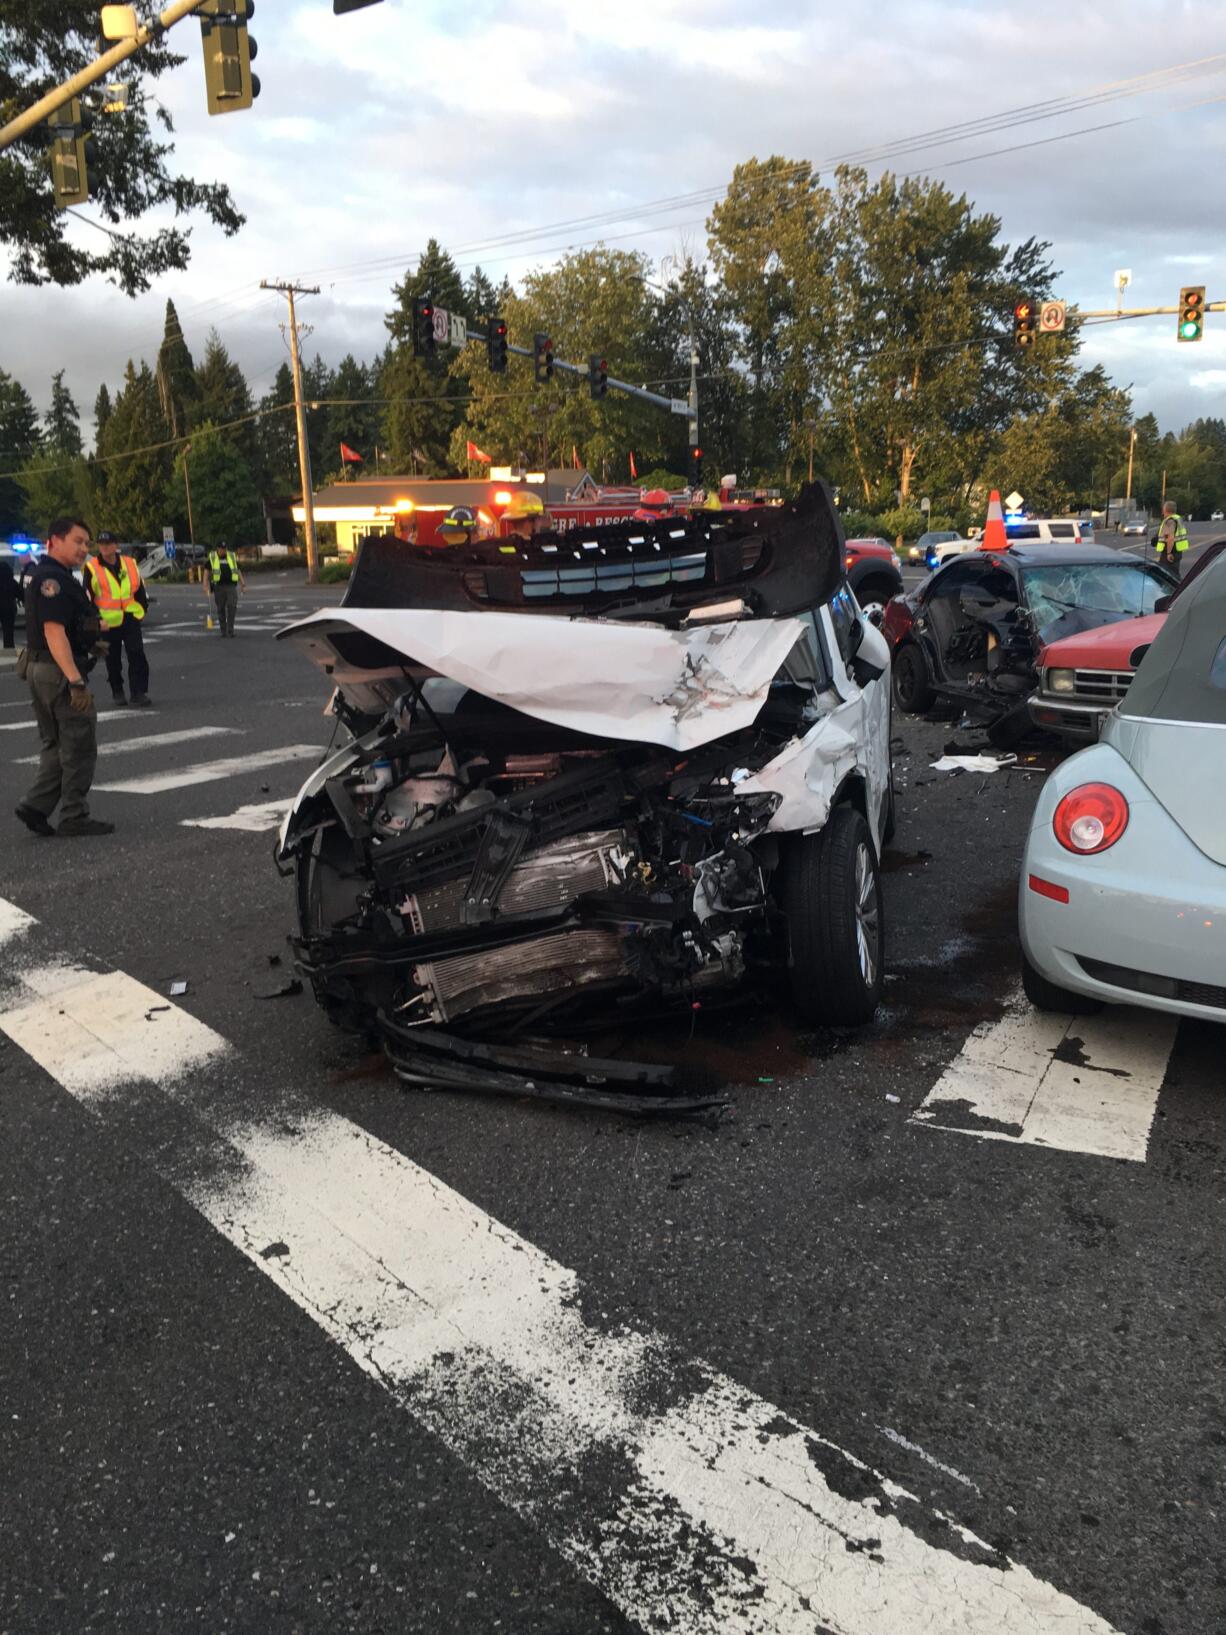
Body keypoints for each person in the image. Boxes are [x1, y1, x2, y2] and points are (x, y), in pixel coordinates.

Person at [14, 516, 113, 838]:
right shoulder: (52, 581)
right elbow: (53, 631)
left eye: (87, 542)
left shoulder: (50, 576)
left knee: (56, 744)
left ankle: (36, 805)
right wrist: (76, 681)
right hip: (57, 673)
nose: (85, 548)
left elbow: (66, 627)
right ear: (54, 541)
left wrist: (90, 637)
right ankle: (74, 815)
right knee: (79, 744)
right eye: (78, 541)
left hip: (42, 669)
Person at [85, 531, 151, 706]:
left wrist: (142, 610)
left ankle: (138, 692)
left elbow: (138, 589)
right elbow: (88, 597)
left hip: (130, 616)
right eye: (101, 544)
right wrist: (96, 619)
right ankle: (117, 690)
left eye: (108, 543)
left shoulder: (129, 564)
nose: (104, 547)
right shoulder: (92, 567)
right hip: (108, 621)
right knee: (112, 659)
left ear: (116, 545)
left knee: (137, 654)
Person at [203, 540, 244, 636]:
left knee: (232, 606)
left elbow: (237, 570)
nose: (223, 551)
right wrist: (205, 585)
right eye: (221, 549)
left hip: (231, 586)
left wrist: (243, 584)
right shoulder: (213, 558)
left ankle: (230, 630)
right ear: (217, 549)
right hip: (219, 587)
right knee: (221, 609)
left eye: (225, 549)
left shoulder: (231, 556)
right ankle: (223, 630)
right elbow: (206, 572)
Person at [1157, 501, 1189, 580]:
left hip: (1170, 553)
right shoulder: (1177, 519)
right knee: (1174, 574)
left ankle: (1178, 590)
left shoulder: (1170, 521)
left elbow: (1170, 538)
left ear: (1165, 510)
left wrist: (1168, 553)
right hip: (1177, 551)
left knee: (1168, 575)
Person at [0, 555, 17, 648]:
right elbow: (20, 593)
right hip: (9, 609)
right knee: (8, 632)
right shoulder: (11, 581)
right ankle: (9, 648)